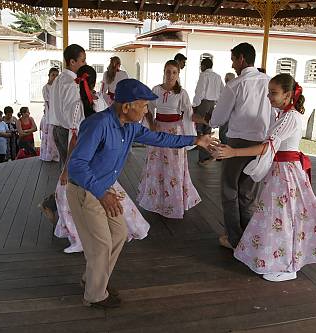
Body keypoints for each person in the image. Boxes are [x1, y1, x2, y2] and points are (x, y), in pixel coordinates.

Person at [66, 79, 214, 309]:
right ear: (126, 106)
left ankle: (93, 278)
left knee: (119, 233)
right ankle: (94, 295)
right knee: (101, 244)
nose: (147, 110)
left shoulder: (131, 126)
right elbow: (76, 165)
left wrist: (196, 140)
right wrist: (102, 194)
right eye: (143, 105)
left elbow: (160, 138)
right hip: (85, 190)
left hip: (105, 188)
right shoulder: (99, 124)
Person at [211, 74, 316, 282]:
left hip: (286, 173)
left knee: (283, 217)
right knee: (279, 217)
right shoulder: (282, 114)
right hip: (280, 170)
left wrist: (234, 152)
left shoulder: (290, 117)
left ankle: (287, 264)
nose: (269, 96)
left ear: (287, 95)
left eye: (273, 93)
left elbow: (268, 146)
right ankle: (278, 258)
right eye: (269, 92)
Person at [54, 65, 149, 254]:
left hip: (89, 166)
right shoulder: (101, 104)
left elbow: (75, 139)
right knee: (98, 203)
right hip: (97, 165)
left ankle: (83, 238)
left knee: (75, 200)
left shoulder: (77, 106)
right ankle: (95, 242)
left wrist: (66, 169)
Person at [195, 42, 274, 250]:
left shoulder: (236, 84)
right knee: (248, 194)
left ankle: (234, 239)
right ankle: (250, 238)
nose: (232, 64)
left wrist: (206, 118)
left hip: (237, 144)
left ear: (241, 58)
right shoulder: (269, 82)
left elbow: (218, 119)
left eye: (233, 59)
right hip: (261, 145)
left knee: (230, 191)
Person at [137, 60, 201, 219]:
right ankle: (156, 200)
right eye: (168, 71)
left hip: (175, 130)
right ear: (164, 72)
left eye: (174, 72)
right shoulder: (156, 90)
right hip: (158, 129)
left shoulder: (182, 93)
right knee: (156, 164)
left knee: (174, 167)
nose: (170, 75)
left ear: (178, 74)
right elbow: (149, 110)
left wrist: (203, 122)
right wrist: (151, 126)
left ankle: (174, 202)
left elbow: (189, 113)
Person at [48, 44, 86, 170]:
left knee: (64, 167)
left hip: (57, 129)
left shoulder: (58, 80)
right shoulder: (71, 83)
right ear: (72, 62)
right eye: (82, 60)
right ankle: (68, 190)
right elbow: (72, 115)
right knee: (72, 169)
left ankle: (63, 189)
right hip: (67, 131)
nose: (85, 63)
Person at [192, 57, 224, 165]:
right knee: (208, 130)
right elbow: (222, 92)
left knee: (200, 130)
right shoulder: (218, 77)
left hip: (203, 103)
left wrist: (195, 105)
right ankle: (209, 154)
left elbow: (199, 92)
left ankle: (204, 157)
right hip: (213, 105)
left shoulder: (204, 75)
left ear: (204, 66)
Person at [40, 67, 60, 162]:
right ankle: (49, 155)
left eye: (57, 75)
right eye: (53, 75)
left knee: (56, 136)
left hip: (58, 113)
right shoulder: (45, 88)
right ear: (49, 76)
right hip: (50, 114)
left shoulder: (59, 87)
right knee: (50, 136)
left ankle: (56, 155)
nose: (55, 77)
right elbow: (48, 103)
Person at [218, 72, 236, 146]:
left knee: (223, 133)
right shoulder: (235, 87)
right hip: (232, 115)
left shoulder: (228, 88)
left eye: (225, 78)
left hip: (226, 114)